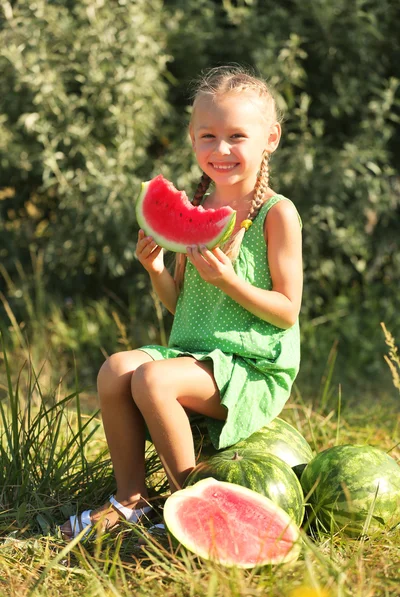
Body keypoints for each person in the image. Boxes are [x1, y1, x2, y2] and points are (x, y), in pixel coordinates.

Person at [60, 65, 303, 539]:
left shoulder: (278, 213)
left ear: (270, 138)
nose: (222, 149)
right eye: (207, 136)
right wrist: (154, 269)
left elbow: (287, 309)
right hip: (194, 357)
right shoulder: (197, 210)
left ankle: (193, 506)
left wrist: (231, 282)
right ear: (192, 138)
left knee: (151, 378)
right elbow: (179, 305)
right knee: (114, 370)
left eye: (237, 136)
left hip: (251, 367)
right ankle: (131, 500)